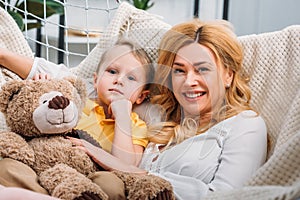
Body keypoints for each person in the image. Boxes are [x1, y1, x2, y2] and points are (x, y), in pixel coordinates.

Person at [68, 19, 268, 200]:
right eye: (179, 70)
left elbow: (228, 196)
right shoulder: (154, 114)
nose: (189, 82)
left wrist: (133, 172)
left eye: (203, 69)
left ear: (228, 76)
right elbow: (90, 84)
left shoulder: (245, 124)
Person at [0, 39, 155, 200]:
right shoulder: (76, 100)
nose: (119, 80)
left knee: (112, 185)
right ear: (95, 80)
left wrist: (122, 116)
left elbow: (125, 166)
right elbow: (38, 120)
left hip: (90, 177)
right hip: (45, 169)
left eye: (131, 78)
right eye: (112, 71)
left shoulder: (135, 125)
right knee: (7, 168)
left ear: (141, 96)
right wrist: (43, 91)